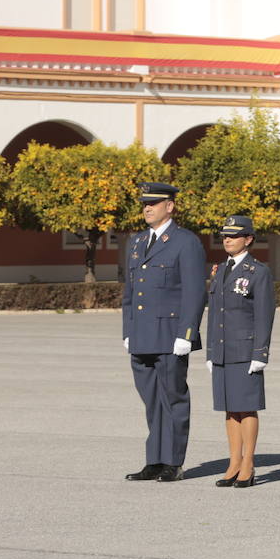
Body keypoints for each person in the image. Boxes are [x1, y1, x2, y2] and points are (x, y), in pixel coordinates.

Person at [122, 182, 206, 482]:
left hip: (170, 335)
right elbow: (130, 292)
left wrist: (187, 333)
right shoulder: (136, 242)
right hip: (142, 335)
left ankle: (173, 461)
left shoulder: (185, 242)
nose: (146, 208)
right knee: (152, 400)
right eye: (144, 203)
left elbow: (194, 291)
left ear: (169, 206)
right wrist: (128, 330)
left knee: (173, 398)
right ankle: (154, 460)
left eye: (153, 203)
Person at [204, 215, 274, 488]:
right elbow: (214, 314)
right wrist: (211, 351)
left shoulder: (258, 272)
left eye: (234, 235)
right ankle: (234, 461)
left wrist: (260, 353)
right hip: (223, 348)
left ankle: (248, 463)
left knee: (246, 408)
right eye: (224, 236)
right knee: (229, 409)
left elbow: (264, 315)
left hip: (245, 349)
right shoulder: (220, 269)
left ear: (248, 239)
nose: (228, 240)